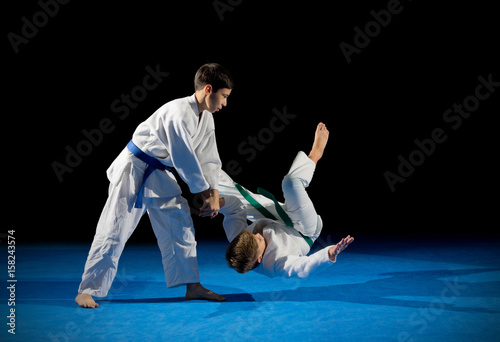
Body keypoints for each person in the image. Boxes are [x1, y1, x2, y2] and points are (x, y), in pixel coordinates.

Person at [75, 63, 233, 308]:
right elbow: (184, 158)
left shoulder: (207, 119)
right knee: (115, 228)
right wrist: (205, 194)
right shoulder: (178, 112)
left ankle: (192, 286)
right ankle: (86, 290)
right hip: (134, 167)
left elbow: (209, 158)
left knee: (180, 221)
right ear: (208, 89)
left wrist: (214, 193)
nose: (224, 103)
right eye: (223, 96)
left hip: (158, 172)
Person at [216, 123, 354, 278]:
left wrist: (218, 203)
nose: (258, 234)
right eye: (259, 239)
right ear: (260, 258)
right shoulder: (277, 264)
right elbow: (304, 268)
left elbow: (234, 210)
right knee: (290, 183)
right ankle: (315, 154)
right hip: (304, 231)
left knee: (226, 193)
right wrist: (329, 254)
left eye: (253, 235)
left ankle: (201, 167)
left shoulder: (239, 239)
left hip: (276, 219)